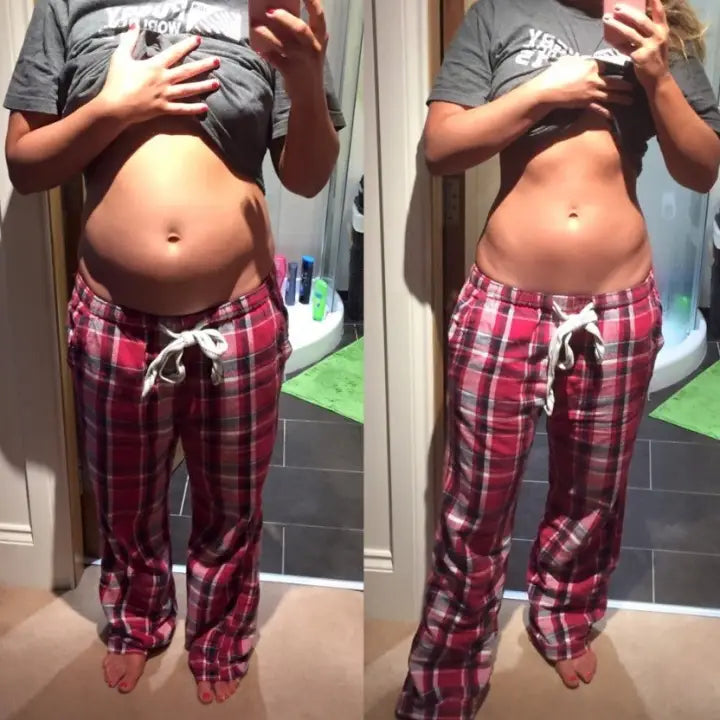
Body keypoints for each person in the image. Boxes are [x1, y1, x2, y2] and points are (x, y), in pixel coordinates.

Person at [4, 0, 345, 706]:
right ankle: (137, 619)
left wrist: (307, 81)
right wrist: (114, 108)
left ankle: (219, 631)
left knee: (233, 502)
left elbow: (308, 178)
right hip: (113, 318)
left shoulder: (266, 7)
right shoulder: (67, 5)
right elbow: (26, 165)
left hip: (238, 317)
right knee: (123, 498)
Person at [396, 0, 720, 717]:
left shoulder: (659, 22)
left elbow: (702, 169)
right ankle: (451, 658)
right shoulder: (498, 13)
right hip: (503, 303)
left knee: (592, 491)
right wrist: (546, 91)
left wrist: (657, 73)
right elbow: (442, 148)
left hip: (618, 308)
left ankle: (564, 611)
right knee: (475, 501)